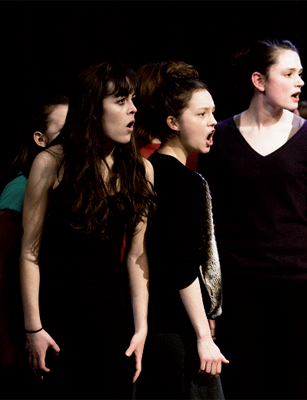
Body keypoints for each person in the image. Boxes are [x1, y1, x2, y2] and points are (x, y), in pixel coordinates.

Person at [198, 38, 307, 400]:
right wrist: (208, 302)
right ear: (258, 80)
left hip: (297, 284)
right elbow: (209, 224)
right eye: (288, 74)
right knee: (244, 385)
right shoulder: (221, 138)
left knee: (296, 386)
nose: (299, 82)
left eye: (300, 74)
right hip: (240, 286)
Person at [20, 61, 155, 400]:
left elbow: (137, 255)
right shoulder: (51, 163)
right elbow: (29, 252)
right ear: (92, 110)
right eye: (121, 100)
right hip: (57, 323)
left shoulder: (141, 170)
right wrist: (33, 327)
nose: (133, 109)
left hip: (112, 322)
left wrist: (141, 328)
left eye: (133, 99)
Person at [133, 61, 227, 399]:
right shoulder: (183, 183)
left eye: (213, 112)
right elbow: (180, 264)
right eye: (201, 114)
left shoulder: (152, 170)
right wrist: (203, 334)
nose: (213, 121)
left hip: (160, 323)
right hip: (174, 329)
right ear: (172, 122)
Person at [0, 94, 68, 399]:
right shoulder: (20, 188)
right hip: (24, 328)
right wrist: (3, 341)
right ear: (40, 139)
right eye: (65, 129)